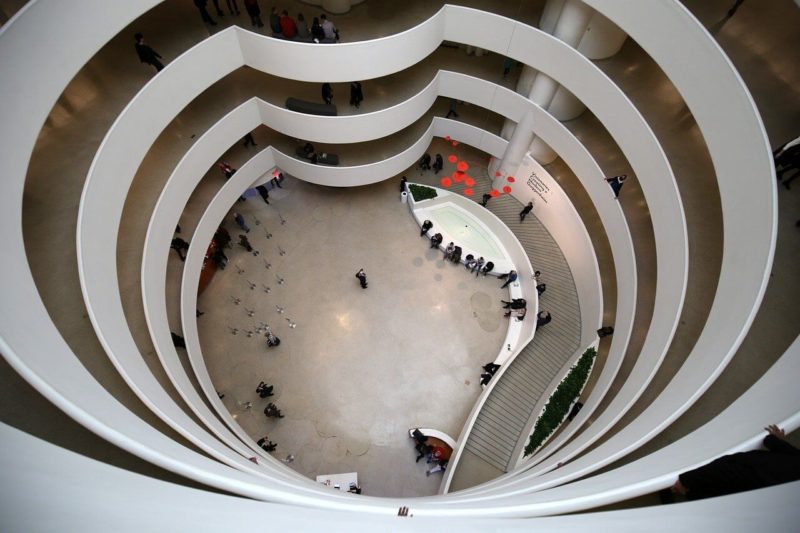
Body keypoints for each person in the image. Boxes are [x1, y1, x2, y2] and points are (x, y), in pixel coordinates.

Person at [668, 424, 800, 502]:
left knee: (714, 484)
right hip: (747, 494)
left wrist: (686, 479)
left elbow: (730, 466)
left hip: (741, 476)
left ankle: (682, 491)